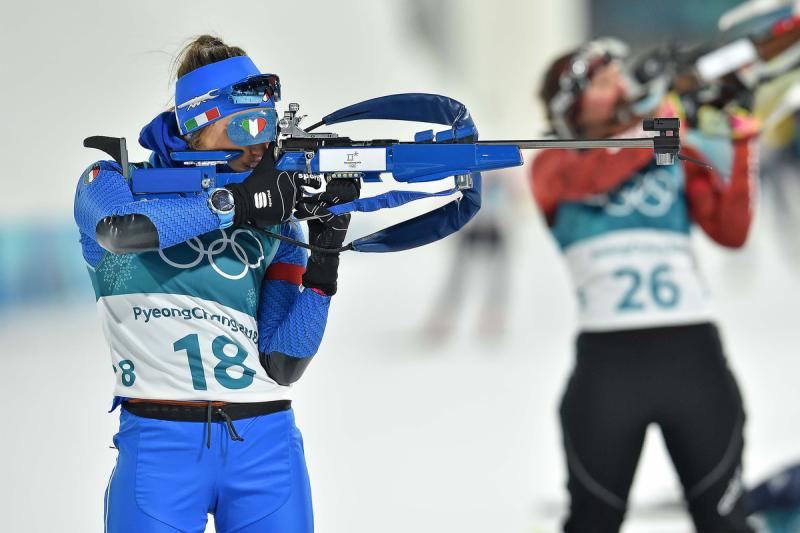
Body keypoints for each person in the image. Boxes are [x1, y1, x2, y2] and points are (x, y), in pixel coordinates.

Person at [74, 35, 357, 532]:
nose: (258, 145)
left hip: (265, 442)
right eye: (244, 126)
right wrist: (235, 206)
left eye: (267, 127)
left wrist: (325, 256)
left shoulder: (276, 221)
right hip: (159, 447)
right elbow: (121, 230)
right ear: (195, 127)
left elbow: (284, 361)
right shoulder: (109, 179)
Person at [530, 38, 758, 533]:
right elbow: (593, 176)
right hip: (610, 369)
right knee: (592, 522)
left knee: (726, 524)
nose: (617, 86)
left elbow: (731, 231)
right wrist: (661, 117)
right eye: (600, 82)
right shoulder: (554, 163)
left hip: (695, 360)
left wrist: (743, 143)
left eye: (618, 77)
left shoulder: (665, 142)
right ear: (569, 105)